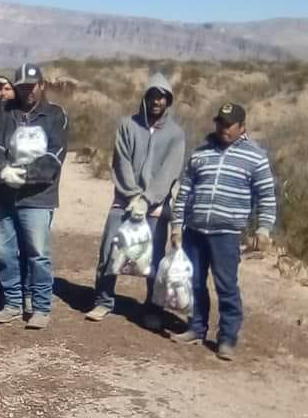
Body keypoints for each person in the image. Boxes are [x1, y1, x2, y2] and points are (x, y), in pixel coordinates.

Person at [170, 102, 276, 361]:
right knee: (194, 282)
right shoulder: (201, 153)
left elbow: (266, 197)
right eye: (220, 123)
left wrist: (263, 229)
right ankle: (196, 327)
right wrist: (176, 225)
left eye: (229, 125)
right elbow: (185, 192)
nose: (223, 129)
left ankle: (227, 337)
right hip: (195, 230)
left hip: (226, 233)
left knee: (226, 285)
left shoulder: (255, 157)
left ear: (242, 127)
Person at [85, 74, 185, 329]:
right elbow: (122, 161)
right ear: (145, 97)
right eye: (152, 95)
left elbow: (170, 170)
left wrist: (149, 199)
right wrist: (132, 195)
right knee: (109, 252)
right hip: (124, 202)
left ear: (168, 101)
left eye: (161, 96)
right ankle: (104, 300)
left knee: (152, 260)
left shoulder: (176, 134)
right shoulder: (127, 125)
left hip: (156, 206)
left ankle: (152, 307)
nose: (156, 101)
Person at [0, 63, 68, 329]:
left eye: (31, 87)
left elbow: (55, 155)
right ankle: (12, 302)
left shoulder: (55, 115)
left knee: (38, 253)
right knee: (5, 251)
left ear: (41, 86)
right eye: (21, 87)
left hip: (38, 197)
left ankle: (41, 306)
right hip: (6, 195)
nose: (27, 92)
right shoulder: (4, 112)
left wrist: (27, 175)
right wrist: (3, 169)